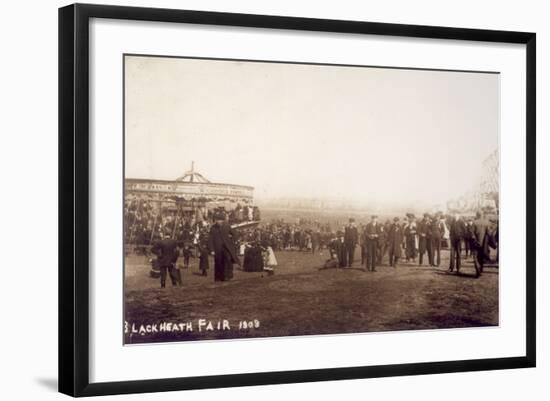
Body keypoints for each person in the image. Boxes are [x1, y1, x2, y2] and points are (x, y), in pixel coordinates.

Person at [208, 211, 240, 281]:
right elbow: (210, 240)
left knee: (228, 260)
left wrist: (232, 240)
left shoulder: (227, 226)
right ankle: (218, 278)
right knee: (218, 263)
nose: (219, 222)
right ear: (216, 221)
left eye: (221, 220)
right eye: (218, 220)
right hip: (217, 249)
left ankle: (228, 276)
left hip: (227, 248)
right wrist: (212, 250)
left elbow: (235, 234)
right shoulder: (212, 228)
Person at [471, 211, 488, 278]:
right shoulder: (486, 222)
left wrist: (475, 240)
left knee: (475, 257)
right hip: (483, 243)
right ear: (482, 215)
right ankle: (481, 270)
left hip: (476, 243)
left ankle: (478, 271)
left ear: (477, 215)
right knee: (481, 257)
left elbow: (472, 233)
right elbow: (488, 233)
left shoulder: (474, 222)